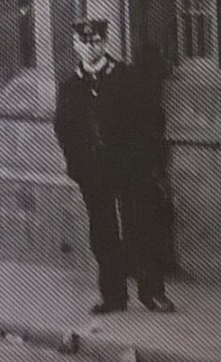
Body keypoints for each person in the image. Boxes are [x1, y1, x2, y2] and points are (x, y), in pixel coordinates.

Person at [52, 18, 178, 315]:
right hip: (94, 173)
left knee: (140, 227)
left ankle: (152, 292)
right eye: (84, 42)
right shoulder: (70, 86)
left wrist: (145, 161)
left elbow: (149, 120)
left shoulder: (126, 77)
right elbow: (64, 130)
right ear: (75, 45)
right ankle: (113, 295)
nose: (90, 48)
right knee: (103, 232)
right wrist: (78, 166)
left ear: (105, 43)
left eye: (96, 41)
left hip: (130, 167)